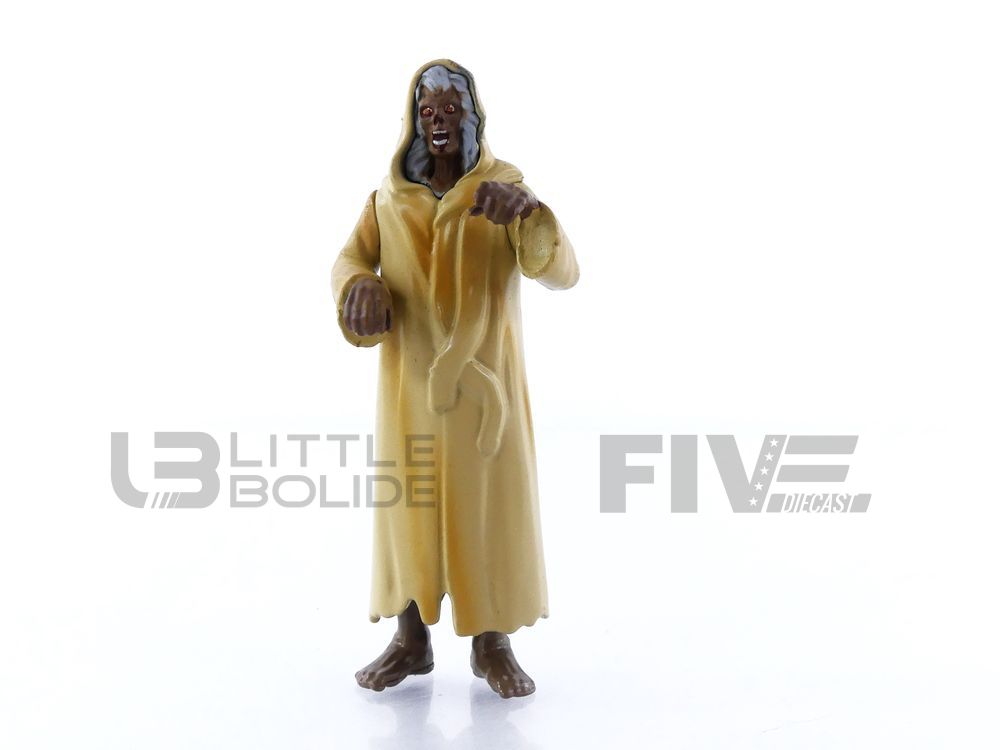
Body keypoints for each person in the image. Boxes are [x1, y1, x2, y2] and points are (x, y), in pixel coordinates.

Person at [331, 59, 578, 699]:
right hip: (412, 388)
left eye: (451, 110)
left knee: (487, 510)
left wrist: (530, 214)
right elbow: (351, 258)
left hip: (483, 392)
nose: (438, 122)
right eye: (428, 111)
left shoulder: (505, 190)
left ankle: (491, 642)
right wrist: (358, 286)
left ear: (474, 116)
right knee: (409, 506)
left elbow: (562, 272)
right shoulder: (388, 198)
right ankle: (410, 639)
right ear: (413, 121)